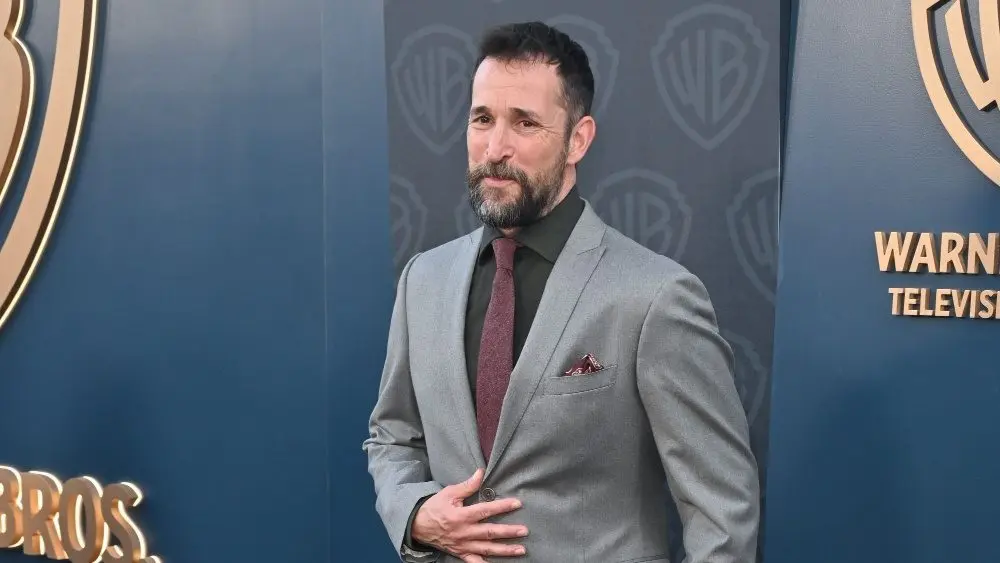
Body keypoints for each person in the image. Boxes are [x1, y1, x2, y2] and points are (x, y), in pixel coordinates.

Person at [363, 21, 760, 563]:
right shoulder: (422, 281)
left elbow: (722, 511)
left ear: (578, 138)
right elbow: (392, 435)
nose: (495, 147)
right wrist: (415, 514)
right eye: (482, 120)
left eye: (524, 123)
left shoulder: (656, 297)